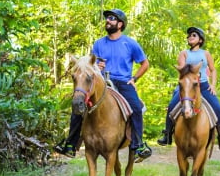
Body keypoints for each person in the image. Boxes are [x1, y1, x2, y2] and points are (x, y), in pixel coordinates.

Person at [55, 9, 152, 162]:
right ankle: (70, 144)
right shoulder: (99, 43)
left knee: (136, 107)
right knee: (79, 103)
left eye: (112, 18)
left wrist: (134, 78)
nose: (108, 21)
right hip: (101, 82)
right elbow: (91, 65)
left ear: (120, 24)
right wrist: (96, 68)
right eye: (107, 18)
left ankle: (138, 145)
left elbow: (145, 63)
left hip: (123, 82)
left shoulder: (130, 43)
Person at [157, 27, 220, 152]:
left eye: (193, 35)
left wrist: (213, 85)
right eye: (188, 36)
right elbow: (182, 70)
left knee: (218, 109)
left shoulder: (206, 53)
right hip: (187, 86)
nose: (190, 37)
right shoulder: (184, 53)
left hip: (203, 85)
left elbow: (213, 70)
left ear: (200, 39)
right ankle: (167, 135)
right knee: (172, 105)